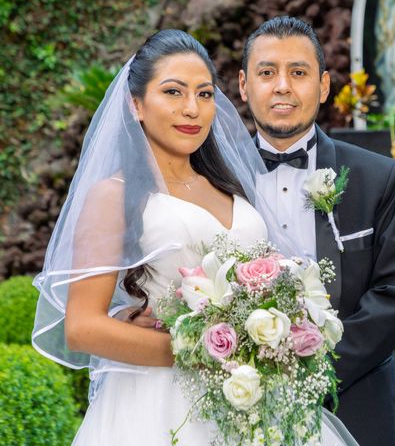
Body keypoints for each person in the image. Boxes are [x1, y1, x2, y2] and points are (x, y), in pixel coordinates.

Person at [31, 29, 357, 445]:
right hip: (159, 406)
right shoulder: (112, 195)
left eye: (204, 95)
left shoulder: (227, 184)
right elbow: (82, 327)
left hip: (253, 399)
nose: (192, 109)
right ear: (136, 105)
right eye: (173, 92)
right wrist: (210, 350)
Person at [238, 16, 395, 446]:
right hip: (240, 406)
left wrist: (319, 372)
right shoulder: (215, 181)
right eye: (267, 73)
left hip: (354, 403)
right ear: (245, 86)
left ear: (322, 87)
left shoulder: (377, 177)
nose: (282, 86)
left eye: (298, 73)